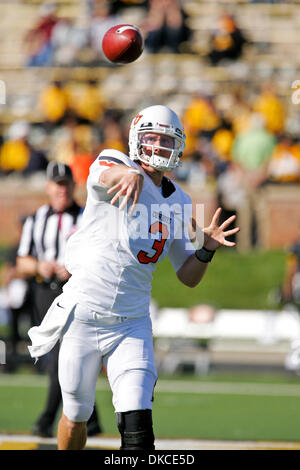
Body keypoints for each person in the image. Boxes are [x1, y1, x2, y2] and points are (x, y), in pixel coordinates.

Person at [27, 105, 239, 450]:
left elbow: (188, 276)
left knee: (138, 430)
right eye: (150, 138)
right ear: (135, 140)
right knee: (76, 415)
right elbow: (102, 176)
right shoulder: (114, 161)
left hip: (132, 323)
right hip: (84, 313)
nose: (157, 146)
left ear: (179, 147)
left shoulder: (180, 201)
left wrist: (206, 250)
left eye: (165, 140)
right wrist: (127, 176)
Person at [17, 161, 101, 438]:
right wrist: (39, 266)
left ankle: (46, 420)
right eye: (57, 185)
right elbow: (22, 262)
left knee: (64, 355)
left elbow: (101, 255)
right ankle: (93, 418)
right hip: (45, 292)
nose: (62, 190)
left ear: (73, 186)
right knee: (61, 355)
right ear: (48, 187)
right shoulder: (36, 219)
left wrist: (75, 266)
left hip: (76, 290)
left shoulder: (89, 216)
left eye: (66, 184)